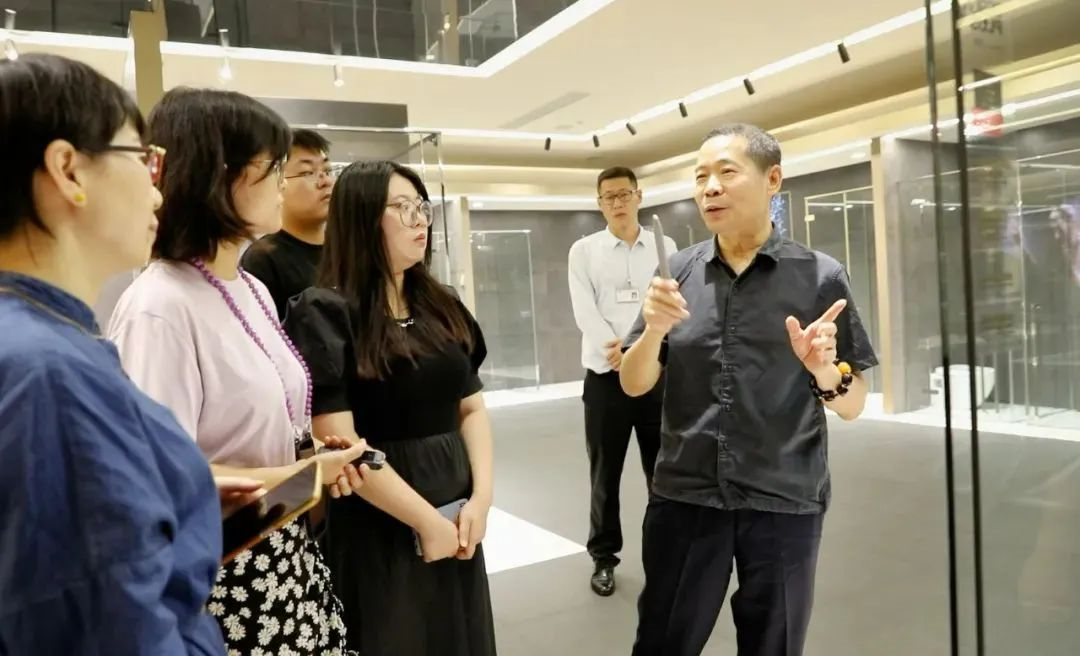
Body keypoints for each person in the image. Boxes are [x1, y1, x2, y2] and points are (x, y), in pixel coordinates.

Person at [107, 87, 371, 656]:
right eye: (273, 166)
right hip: (224, 571)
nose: (282, 183)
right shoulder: (160, 305)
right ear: (219, 175)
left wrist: (310, 460)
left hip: (286, 546)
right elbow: (157, 474)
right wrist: (296, 472)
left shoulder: (250, 286)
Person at [620, 124, 878, 656]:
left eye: (726, 172)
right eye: (700, 177)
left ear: (772, 180)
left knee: (773, 645)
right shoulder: (678, 273)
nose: (709, 187)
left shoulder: (820, 276)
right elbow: (633, 381)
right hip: (686, 495)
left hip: (784, 497)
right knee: (663, 642)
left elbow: (854, 404)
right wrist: (653, 332)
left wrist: (824, 371)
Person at [0, 53, 228, 654]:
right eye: (143, 158)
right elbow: (112, 627)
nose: (158, 191)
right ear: (68, 169)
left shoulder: (44, 341)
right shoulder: (51, 375)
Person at [284, 160, 497, 656]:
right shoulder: (325, 311)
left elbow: (471, 409)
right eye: (401, 208)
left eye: (421, 207)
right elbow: (340, 444)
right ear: (361, 217)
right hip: (379, 524)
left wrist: (482, 501)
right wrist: (425, 522)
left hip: (458, 519)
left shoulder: (441, 303)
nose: (419, 220)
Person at [567, 166, 676, 597]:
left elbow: (669, 305)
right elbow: (583, 309)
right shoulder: (584, 251)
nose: (617, 202)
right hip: (604, 378)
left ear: (638, 196)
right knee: (604, 475)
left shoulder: (665, 247)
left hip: (654, 378)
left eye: (624, 194)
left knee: (662, 473)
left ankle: (664, 557)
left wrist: (641, 353)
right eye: (608, 197)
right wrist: (618, 350)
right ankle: (604, 558)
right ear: (600, 204)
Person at [241, 128, 338, 319]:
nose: (325, 181)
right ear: (279, 182)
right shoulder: (263, 260)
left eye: (327, 171)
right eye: (308, 172)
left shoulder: (349, 248)